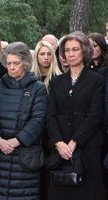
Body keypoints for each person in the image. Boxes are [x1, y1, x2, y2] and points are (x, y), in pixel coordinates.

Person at [0, 41, 47, 199]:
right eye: (8, 63)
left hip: (23, 156)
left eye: (16, 63)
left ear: (25, 63)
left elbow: (38, 119)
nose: (11, 67)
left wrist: (16, 141)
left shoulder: (37, 88)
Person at [46, 31, 106, 200]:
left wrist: (74, 143)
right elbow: (50, 115)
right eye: (67, 50)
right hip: (60, 149)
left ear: (84, 51)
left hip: (88, 147)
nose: (70, 54)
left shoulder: (96, 80)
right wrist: (58, 143)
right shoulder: (56, 81)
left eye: (75, 49)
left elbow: (95, 115)